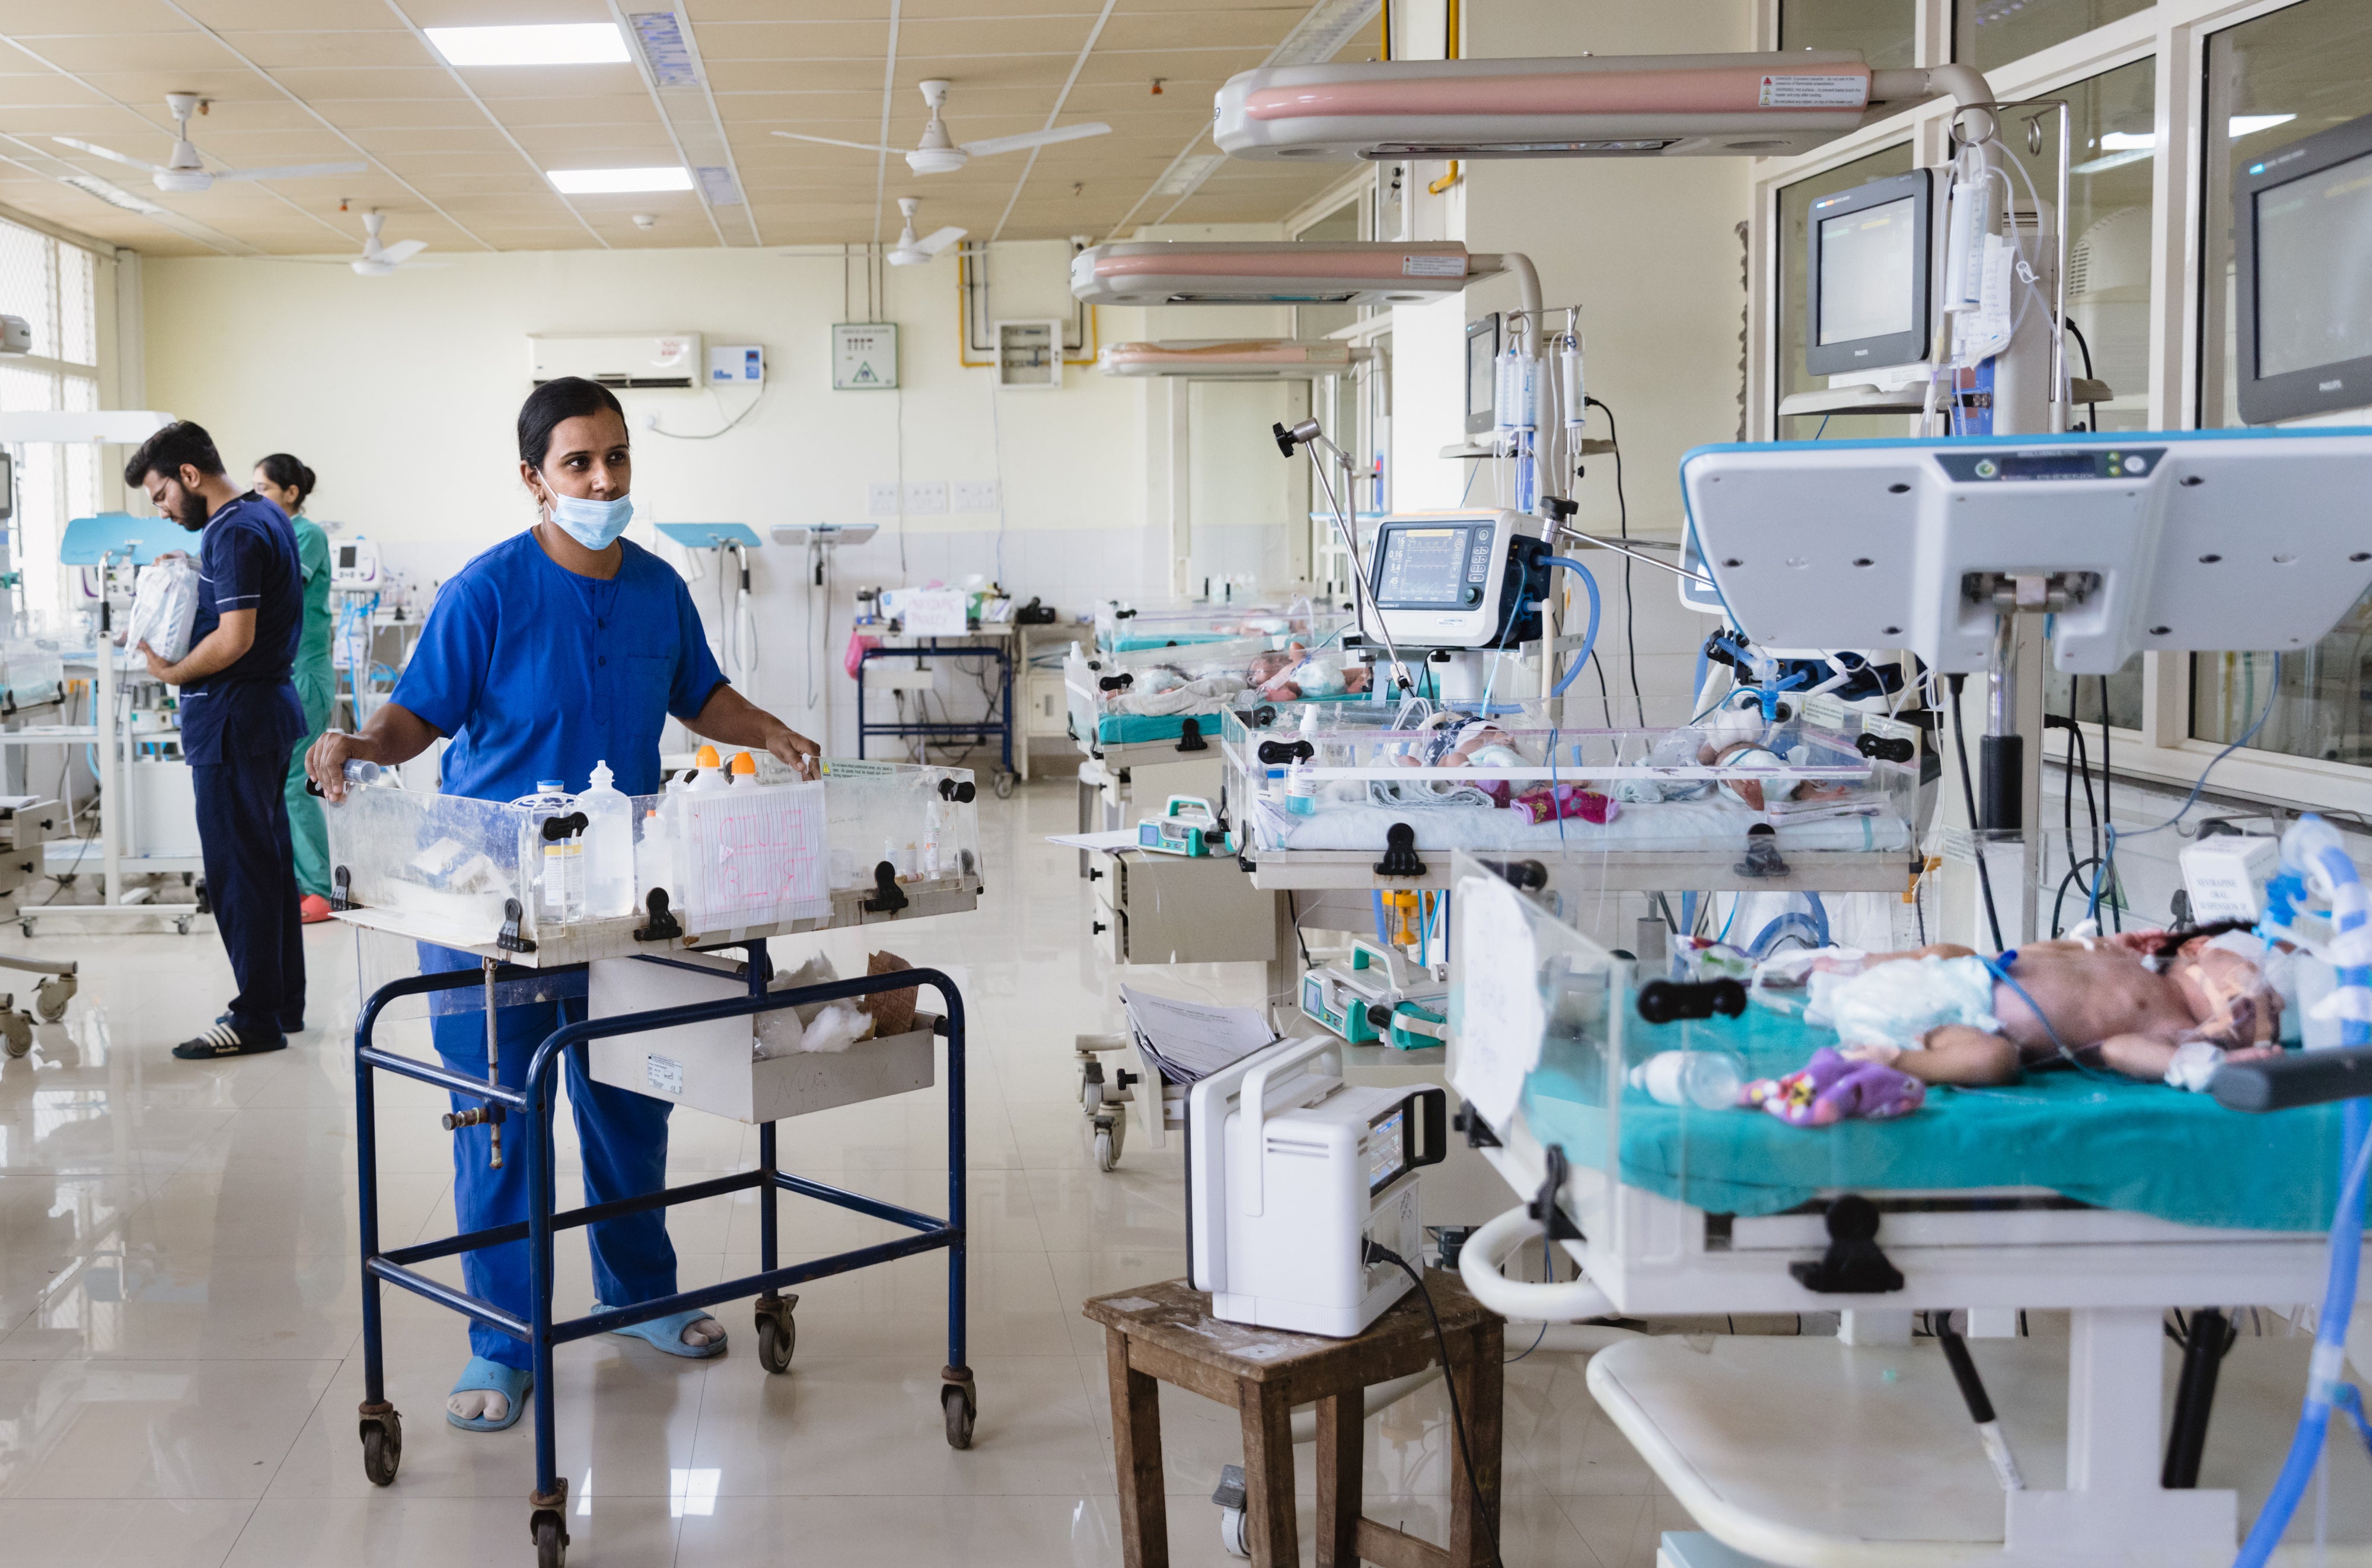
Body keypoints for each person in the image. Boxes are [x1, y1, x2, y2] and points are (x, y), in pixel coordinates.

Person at [306, 377, 820, 1435]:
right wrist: (359, 744)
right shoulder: (487, 589)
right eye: (579, 462)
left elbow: (698, 692)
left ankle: (639, 1295)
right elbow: (417, 719)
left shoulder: (659, 587)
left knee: (633, 1098)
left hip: (622, 893)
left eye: (617, 458)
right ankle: (502, 1339)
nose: (603, 479)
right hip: (491, 897)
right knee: (499, 1123)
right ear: (535, 479)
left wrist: (766, 727)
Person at [125, 421, 308, 1058]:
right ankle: (284, 1000)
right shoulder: (264, 516)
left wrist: (170, 671)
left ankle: (256, 1016)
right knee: (267, 863)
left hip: (234, 719)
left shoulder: (232, 531)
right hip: (264, 714)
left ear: (189, 476)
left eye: (160, 495)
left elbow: (234, 639)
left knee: (239, 871)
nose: (163, 509)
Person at [1804, 928, 2284, 1087]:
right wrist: (2099, 943)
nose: (2265, 993)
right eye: (2252, 967)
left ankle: (1897, 1061)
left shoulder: (2178, 1028)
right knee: (1952, 951)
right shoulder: (2124, 958)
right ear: (2196, 947)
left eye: (2274, 1006)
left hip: (1960, 1026)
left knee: (1996, 1061)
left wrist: (2206, 1065)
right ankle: (1861, 964)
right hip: (1949, 976)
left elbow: (2120, 1050)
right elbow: (2039, 954)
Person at [250, 454, 337, 923]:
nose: (256, 496)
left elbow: (275, 589)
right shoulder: (274, 534)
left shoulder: (307, 535)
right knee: (281, 783)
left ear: (291, 493)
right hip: (285, 674)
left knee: (295, 784)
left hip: (305, 673)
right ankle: (305, 884)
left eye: (264, 488)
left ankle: (321, 890)